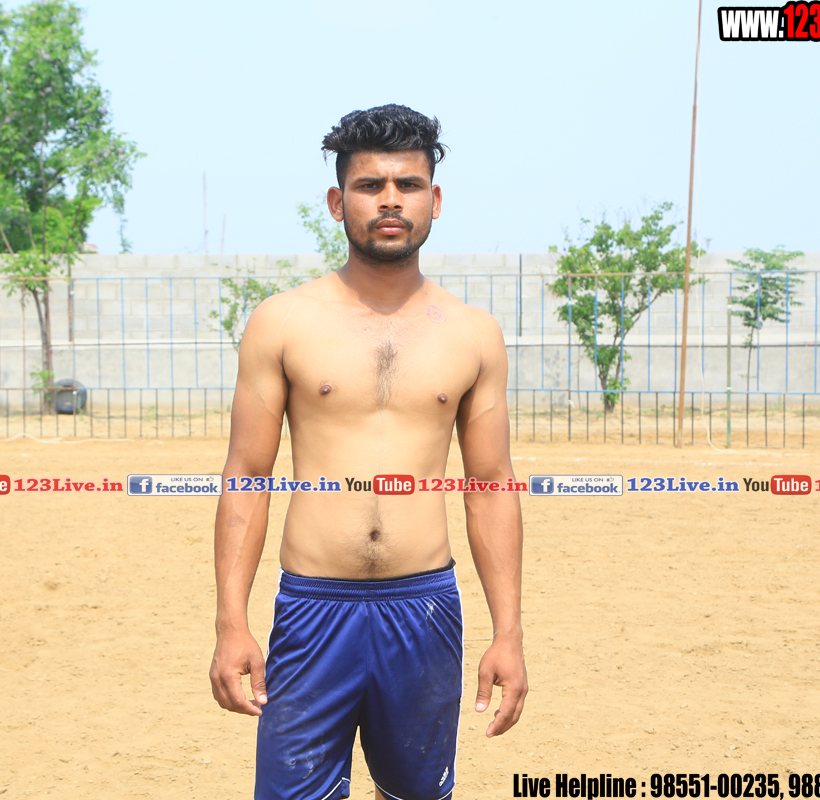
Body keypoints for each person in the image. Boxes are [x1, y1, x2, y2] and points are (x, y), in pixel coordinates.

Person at [209, 105, 528, 800]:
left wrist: (509, 631)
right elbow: (247, 474)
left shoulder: (472, 334)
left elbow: (491, 484)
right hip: (313, 608)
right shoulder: (283, 321)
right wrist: (231, 622)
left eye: (408, 185)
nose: (390, 200)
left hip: (424, 608)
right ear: (337, 202)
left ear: (434, 201)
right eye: (369, 185)